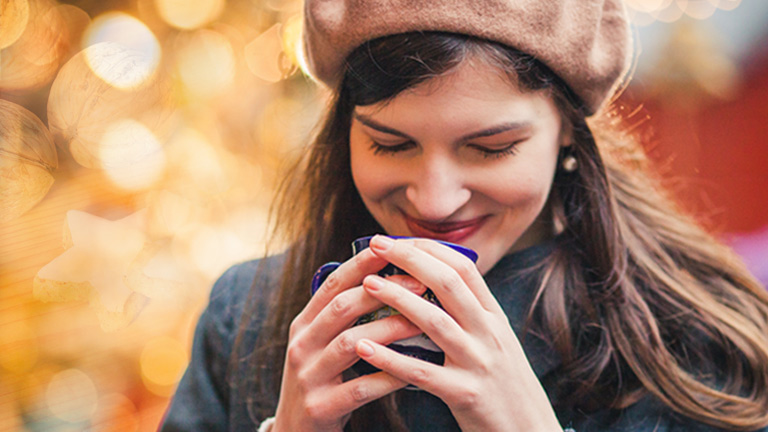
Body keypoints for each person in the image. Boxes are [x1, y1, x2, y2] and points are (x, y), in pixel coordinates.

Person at [160, 0, 768, 431]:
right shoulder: (246, 317)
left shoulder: (700, 342)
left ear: (567, 130)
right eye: (390, 144)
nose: (434, 202)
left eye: (491, 148)